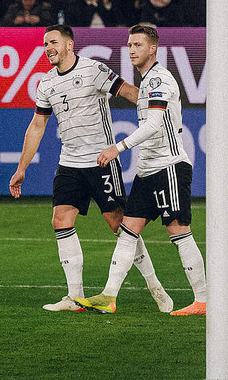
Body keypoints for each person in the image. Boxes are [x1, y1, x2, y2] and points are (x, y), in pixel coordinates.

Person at [9, 24, 174, 313]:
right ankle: (75, 298)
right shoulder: (46, 83)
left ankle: (155, 286)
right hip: (69, 163)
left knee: (118, 225)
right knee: (60, 220)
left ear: (70, 45)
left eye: (54, 42)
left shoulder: (92, 70)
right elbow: (37, 125)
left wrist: (161, 105)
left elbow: (127, 92)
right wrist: (22, 167)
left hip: (101, 160)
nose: (48, 48)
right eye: (46, 43)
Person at [76, 24, 207, 317]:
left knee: (178, 230)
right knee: (128, 231)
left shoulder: (160, 78)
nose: (132, 49)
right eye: (130, 44)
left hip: (169, 167)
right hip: (147, 171)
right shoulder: (147, 82)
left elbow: (154, 124)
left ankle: (203, 300)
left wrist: (117, 149)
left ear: (153, 48)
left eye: (138, 44)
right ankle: (109, 296)